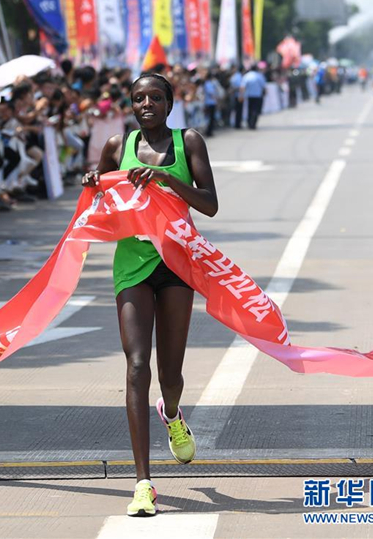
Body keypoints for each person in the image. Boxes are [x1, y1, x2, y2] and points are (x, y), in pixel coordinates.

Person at [81, 73, 218, 517]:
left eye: (155, 97)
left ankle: (173, 413)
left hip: (177, 265)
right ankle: (143, 483)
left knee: (169, 374)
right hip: (132, 268)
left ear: (170, 103)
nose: (146, 104)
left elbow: (209, 202)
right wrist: (92, 180)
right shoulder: (116, 145)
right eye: (139, 98)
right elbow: (99, 190)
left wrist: (163, 178)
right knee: (138, 365)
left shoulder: (188, 142)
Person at [240, 64, 267, 129]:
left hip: (249, 95)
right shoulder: (259, 76)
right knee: (255, 110)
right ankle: (253, 123)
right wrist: (265, 94)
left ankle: (249, 123)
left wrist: (241, 95)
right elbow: (264, 86)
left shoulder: (247, 76)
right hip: (257, 95)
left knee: (250, 109)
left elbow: (242, 87)